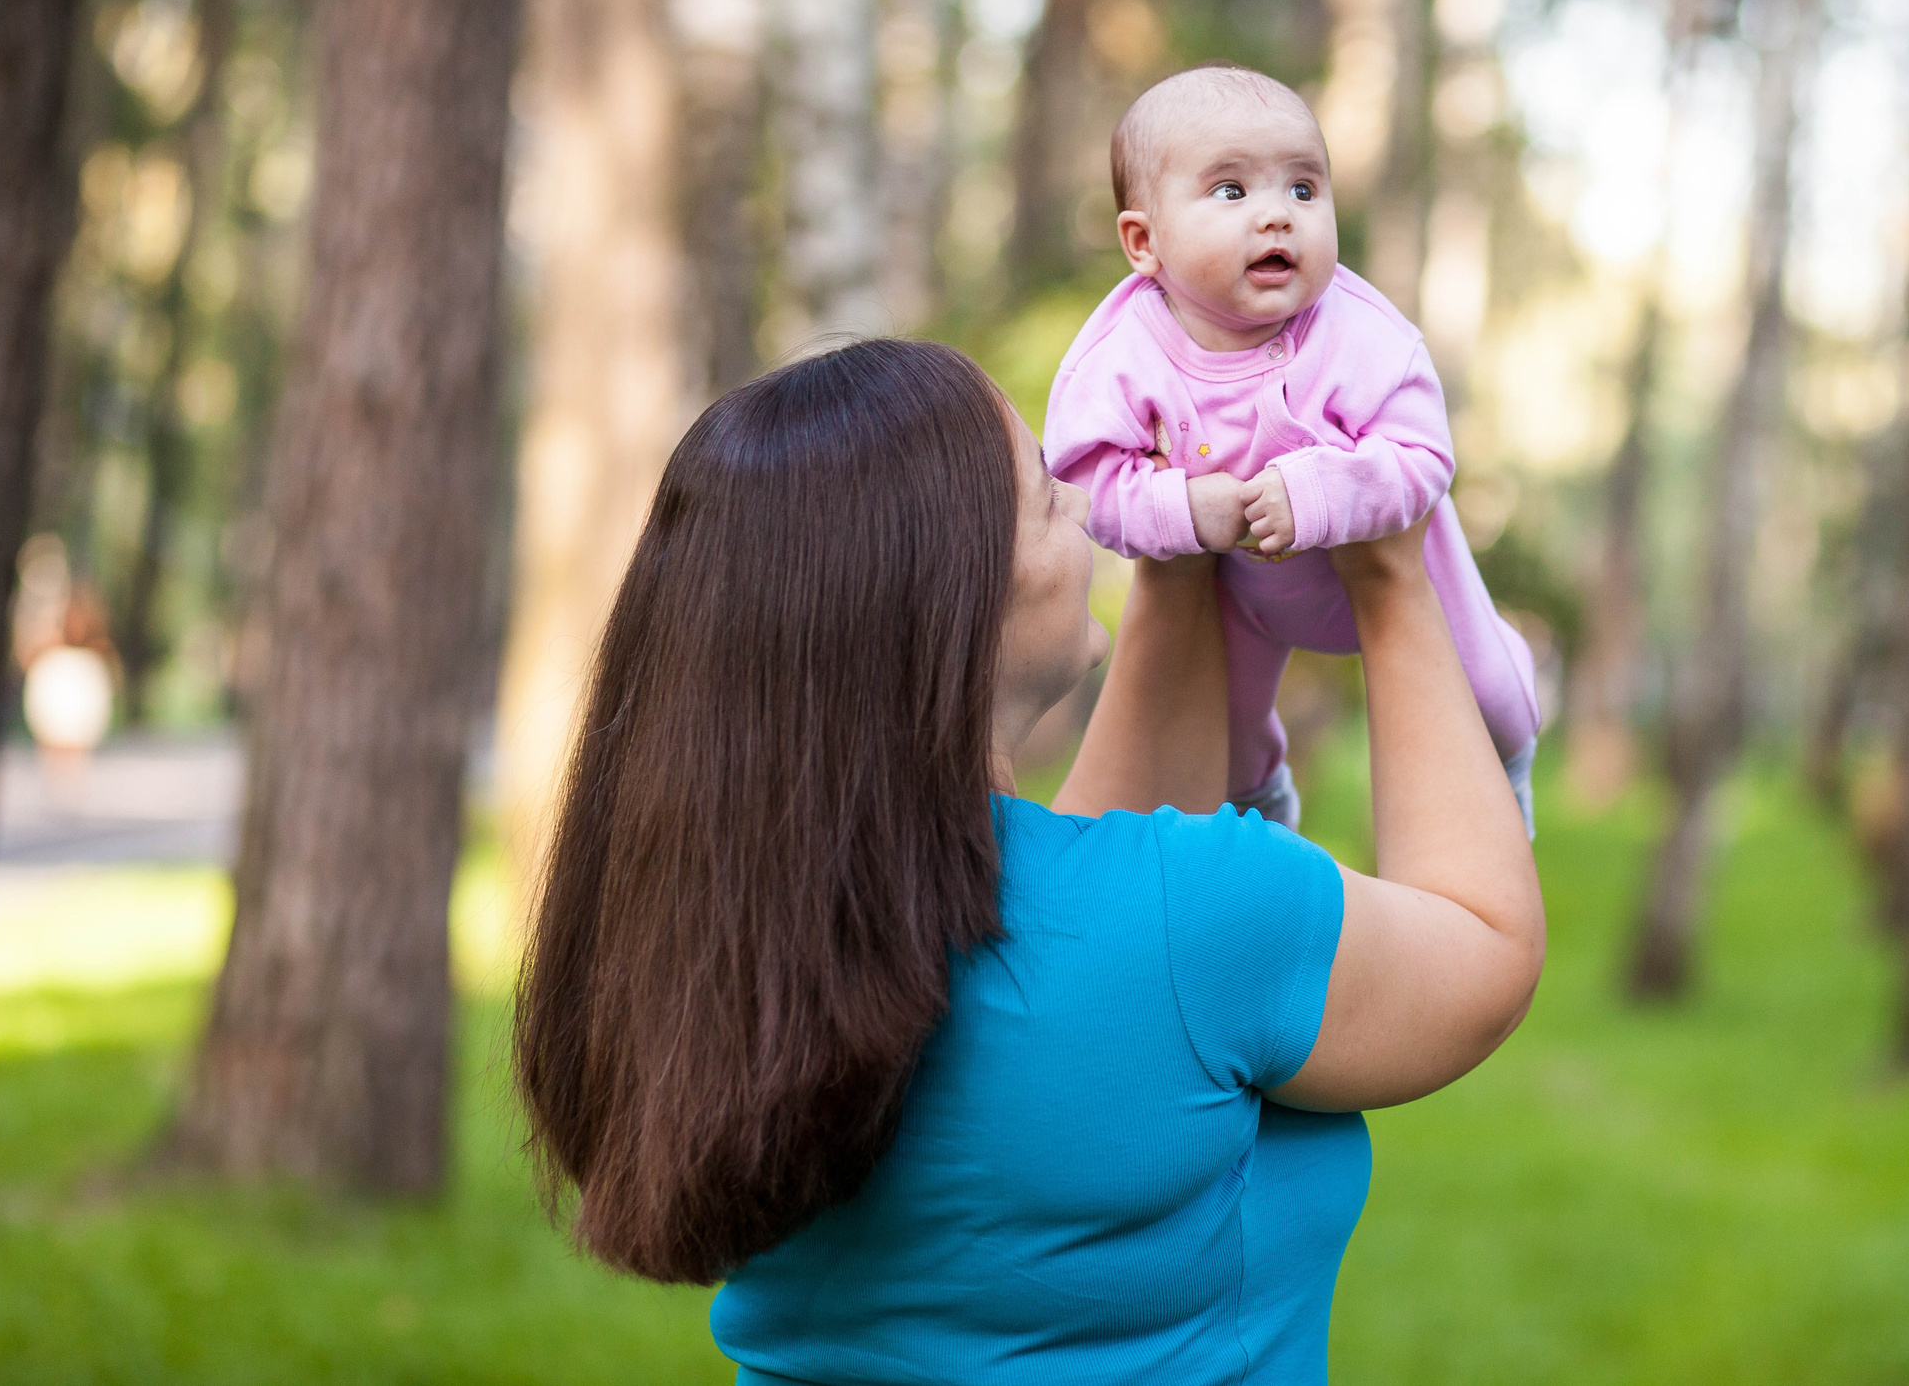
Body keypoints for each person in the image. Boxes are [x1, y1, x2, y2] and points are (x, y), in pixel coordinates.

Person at [513, 338, 1544, 1385]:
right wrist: (1390, 565)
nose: (1085, 505)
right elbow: (1483, 939)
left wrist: (1180, 550)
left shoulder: (728, 956)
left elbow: (1090, 916)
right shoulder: (1195, 919)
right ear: (956, 600)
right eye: (1049, 493)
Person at [1043, 64, 1540, 835]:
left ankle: (1507, 777)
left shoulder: (1359, 331)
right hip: (1245, 584)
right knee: (1226, 729)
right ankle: (1265, 812)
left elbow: (1424, 455)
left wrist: (1321, 491)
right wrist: (1181, 508)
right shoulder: (1121, 355)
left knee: (1488, 695)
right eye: (1231, 190)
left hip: (1399, 565)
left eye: (1304, 189)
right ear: (1144, 241)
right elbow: (1082, 481)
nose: (1278, 215)